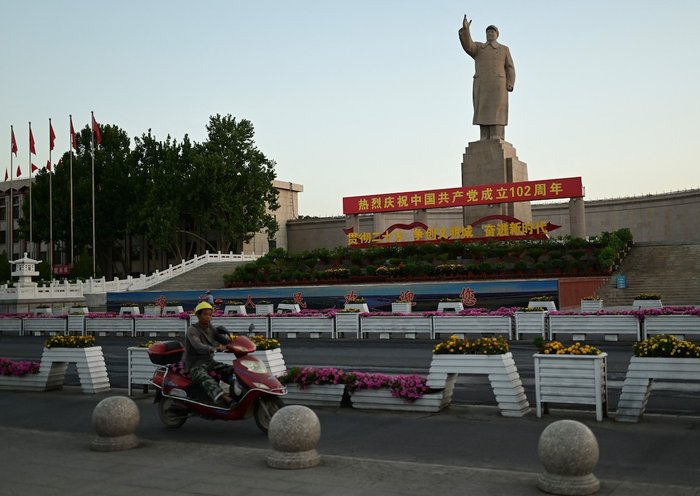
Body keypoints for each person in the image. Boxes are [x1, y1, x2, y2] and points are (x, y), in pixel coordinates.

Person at [458, 15, 516, 141]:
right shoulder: (479, 48)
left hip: (498, 85)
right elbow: (468, 46)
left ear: (497, 35)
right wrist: (466, 31)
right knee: (483, 109)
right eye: (488, 32)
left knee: (497, 111)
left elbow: (510, 67)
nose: (490, 34)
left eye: (492, 32)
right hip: (483, 83)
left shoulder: (504, 49)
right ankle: (484, 136)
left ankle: (497, 136)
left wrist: (510, 82)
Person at [183, 301, 236, 406]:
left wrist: (235, 343)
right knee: (205, 378)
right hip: (194, 364)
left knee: (233, 370)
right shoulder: (192, 330)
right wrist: (215, 348)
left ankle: (236, 391)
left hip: (209, 361)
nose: (208, 317)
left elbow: (223, 339)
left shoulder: (211, 328)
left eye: (210, 314)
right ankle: (223, 398)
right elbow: (198, 346)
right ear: (198, 315)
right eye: (205, 314)